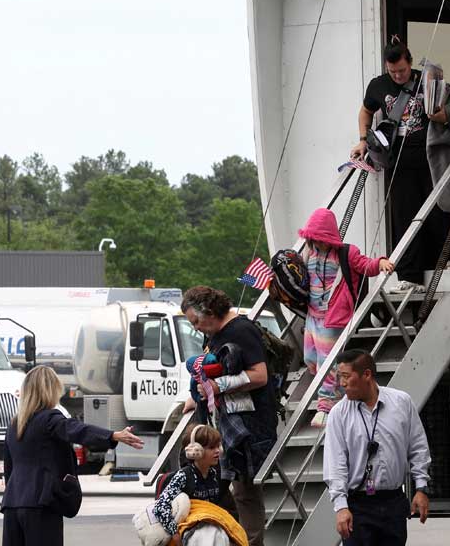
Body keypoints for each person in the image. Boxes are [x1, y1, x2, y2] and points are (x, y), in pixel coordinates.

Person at [348, 37, 450, 293]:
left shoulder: (426, 80)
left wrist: (441, 115)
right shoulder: (378, 86)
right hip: (398, 161)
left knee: (440, 208)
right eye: (393, 72)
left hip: (429, 156)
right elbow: (365, 111)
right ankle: (409, 273)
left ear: (410, 63)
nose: (398, 76)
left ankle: (447, 258)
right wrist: (363, 139)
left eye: (402, 70)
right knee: (404, 215)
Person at [2, 366, 144, 546]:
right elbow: (78, 430)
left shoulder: (14, 425)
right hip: (41, 503)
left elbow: (9, 469)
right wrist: (112, 436)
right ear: (50, 390)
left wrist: (14, 494)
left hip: (12, 504)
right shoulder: (49, 419)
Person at [180, 286, 275, 546]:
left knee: (245, 493)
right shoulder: (215, 333)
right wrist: (196, 396)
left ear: (209, 311)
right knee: (220, 488)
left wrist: (218, 386)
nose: (196, 327)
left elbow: (260, 375)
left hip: (248, 428)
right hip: (226, 423)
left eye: (196, 321)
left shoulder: (241, 330)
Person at [298, 207, 394, 428]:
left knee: (327, 362)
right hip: (312, 315)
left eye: (321, 239)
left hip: (334, 316)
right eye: (314, 238)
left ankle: (325, 406)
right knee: (310, 359)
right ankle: (340, 393)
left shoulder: (346, 253)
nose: (318, 243)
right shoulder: (308, 252)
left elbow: (364, 265)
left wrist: (379, 263)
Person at [324, 349, 431, 546]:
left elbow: (418, 447)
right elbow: (335, 465)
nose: (342, 383)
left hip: (394, 501)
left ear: (366, 375)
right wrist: (341, 507)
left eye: (346, 377)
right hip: (358, 505)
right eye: (340, 377)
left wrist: (421, 488)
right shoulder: (339, 414)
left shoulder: (401, 402)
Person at [152, 424, 240, 545]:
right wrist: (175, 533)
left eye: (218, 446)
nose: (218, 451)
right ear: (196, 450)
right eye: (212, 447)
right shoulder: (183, 476)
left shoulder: (213, 475)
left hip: (208, 526)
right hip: (189, 530)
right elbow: (160, 507)